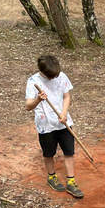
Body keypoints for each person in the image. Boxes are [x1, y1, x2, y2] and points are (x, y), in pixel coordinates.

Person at [25, 55, 83, 199]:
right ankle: (51, 177)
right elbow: (28, 106)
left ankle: (71, 181)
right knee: (49, 152)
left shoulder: (62, 77)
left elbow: (66, 96)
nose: (53, 78)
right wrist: (38, 99)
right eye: (51, 76)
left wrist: (64, 113)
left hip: (64, 122)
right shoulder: (33, 82)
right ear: (43, 72)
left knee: (69, 151)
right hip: (46, 125)